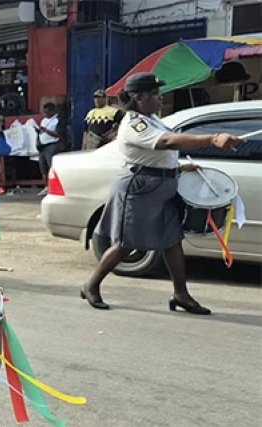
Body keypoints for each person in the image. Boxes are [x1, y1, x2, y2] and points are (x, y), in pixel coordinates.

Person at [81, 72, 243, 315]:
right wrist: (212, 138)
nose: (161, 98)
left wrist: (178, 167)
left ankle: (181, 294)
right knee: (126, 244)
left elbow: (158, 153)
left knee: (172, 240)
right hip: (140, 188)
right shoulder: (135, 122)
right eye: (155, 94)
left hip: (162, 184)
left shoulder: (152, 118)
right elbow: (167, 142)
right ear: (139, 98)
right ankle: (91, 285)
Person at [35, 103, 62, 196]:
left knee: (51, 167)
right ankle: (46, 187)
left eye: (47, 112)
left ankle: (54, 187)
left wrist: (46, 130)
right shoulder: (43, 120)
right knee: (43, 168)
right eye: (44, 112)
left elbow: (57, 134)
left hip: (52, 145)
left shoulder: (57, 120)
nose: (45, 114)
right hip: (42, 146)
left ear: (52, 111)